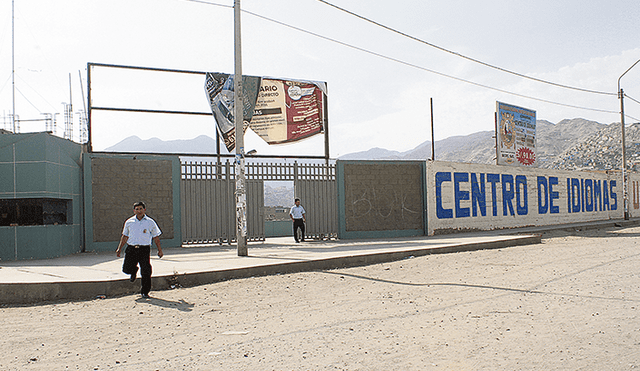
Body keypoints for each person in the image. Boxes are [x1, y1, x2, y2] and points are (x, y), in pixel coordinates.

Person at [116, 201, 163, 298]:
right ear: (134, 211)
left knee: (146, 270)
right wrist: (119, 248)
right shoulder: (129, 222)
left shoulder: (150, 222)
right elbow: (124, 236)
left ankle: (145, 292)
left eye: (141, 209)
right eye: (137, 209)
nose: (139, 211)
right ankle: (133, 271)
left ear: (144, 210)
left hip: (144, 249)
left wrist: (160, 250)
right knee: (126, 268)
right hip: (131, 248)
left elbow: (156, 237)